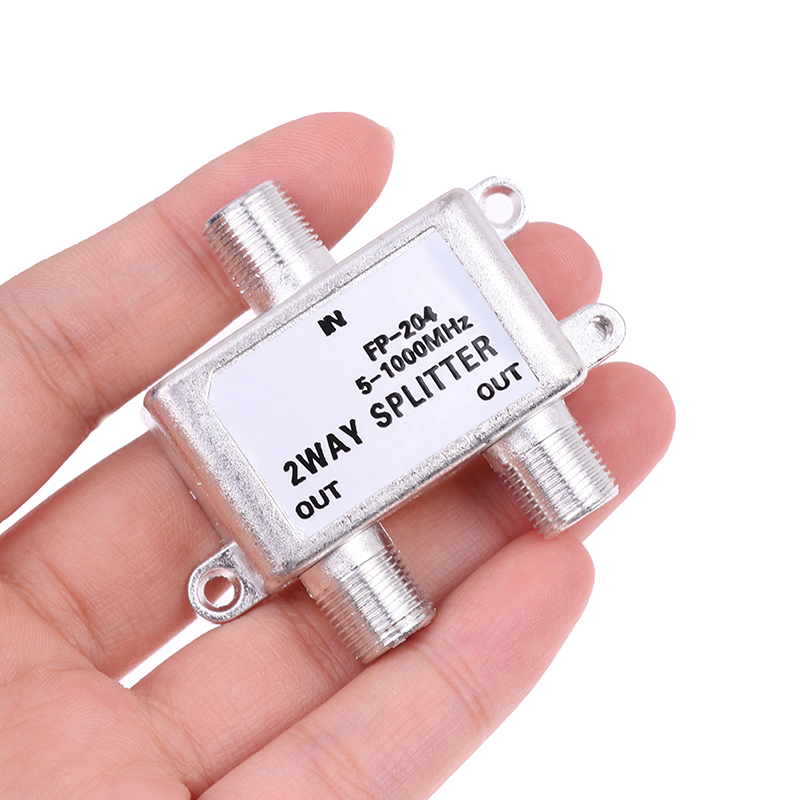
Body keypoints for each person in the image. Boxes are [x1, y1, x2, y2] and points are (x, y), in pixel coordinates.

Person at [0, 112, 674, 799]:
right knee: (384, 604)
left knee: (414, 583)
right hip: (324, 522)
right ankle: (388, 576)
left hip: (437, 431)